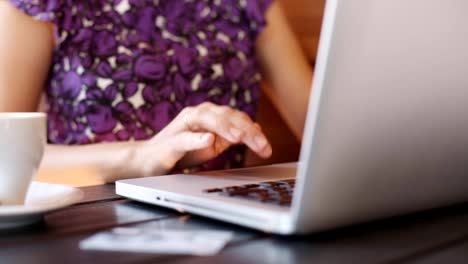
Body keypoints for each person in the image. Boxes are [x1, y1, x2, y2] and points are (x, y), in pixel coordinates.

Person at [0, 0, 312, 182]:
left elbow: (322, 126)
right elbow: (4, 158)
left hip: (227, 225)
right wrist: (144, 156)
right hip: (91, 225)